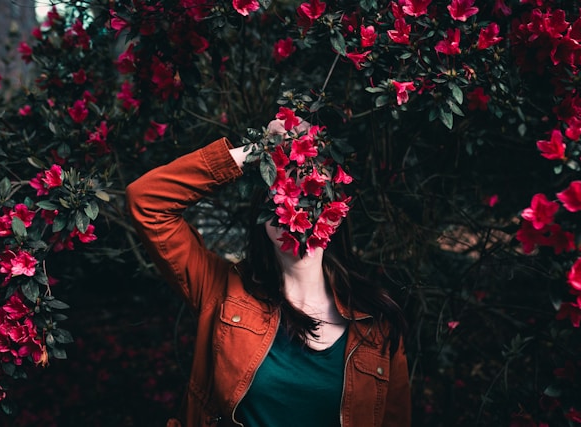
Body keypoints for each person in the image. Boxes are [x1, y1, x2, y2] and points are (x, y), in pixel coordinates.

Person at [125, 119, 412, 427]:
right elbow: (147, 200)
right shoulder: (221, 291)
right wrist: (257, 151)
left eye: (312, 192)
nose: (297, 205)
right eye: (283, 189)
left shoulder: (378, 325)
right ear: (262, 215)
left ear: (336, 215)